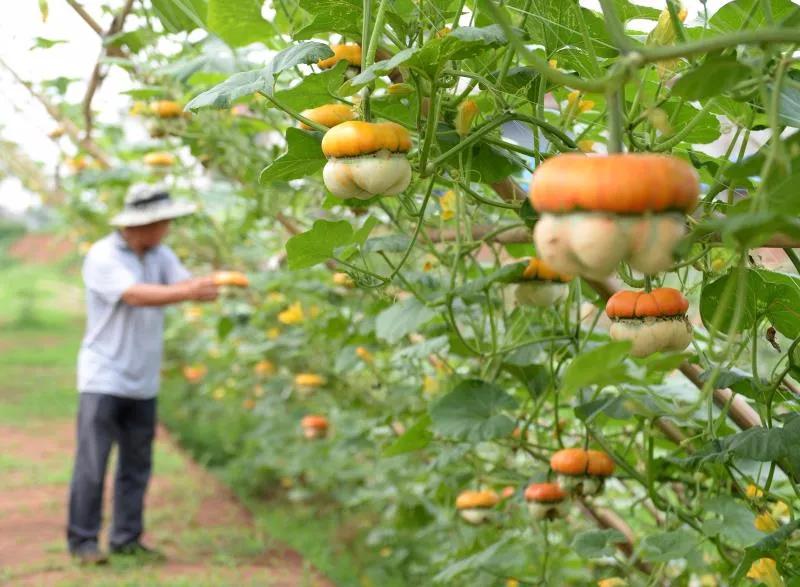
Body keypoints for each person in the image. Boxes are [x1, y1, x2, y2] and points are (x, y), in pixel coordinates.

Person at [67, 184, 219, 564]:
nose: (167, 229)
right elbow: (134, 295)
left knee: (136, 465)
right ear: (141, 224)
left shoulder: (159, 254)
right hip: (103, 377)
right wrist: (189, 292)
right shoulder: (103, 255)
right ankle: (83, 542)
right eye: (162, 223)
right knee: (93, 464)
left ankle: (126, 539)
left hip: (142, 380)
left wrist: (209, 283)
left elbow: (181, 282)